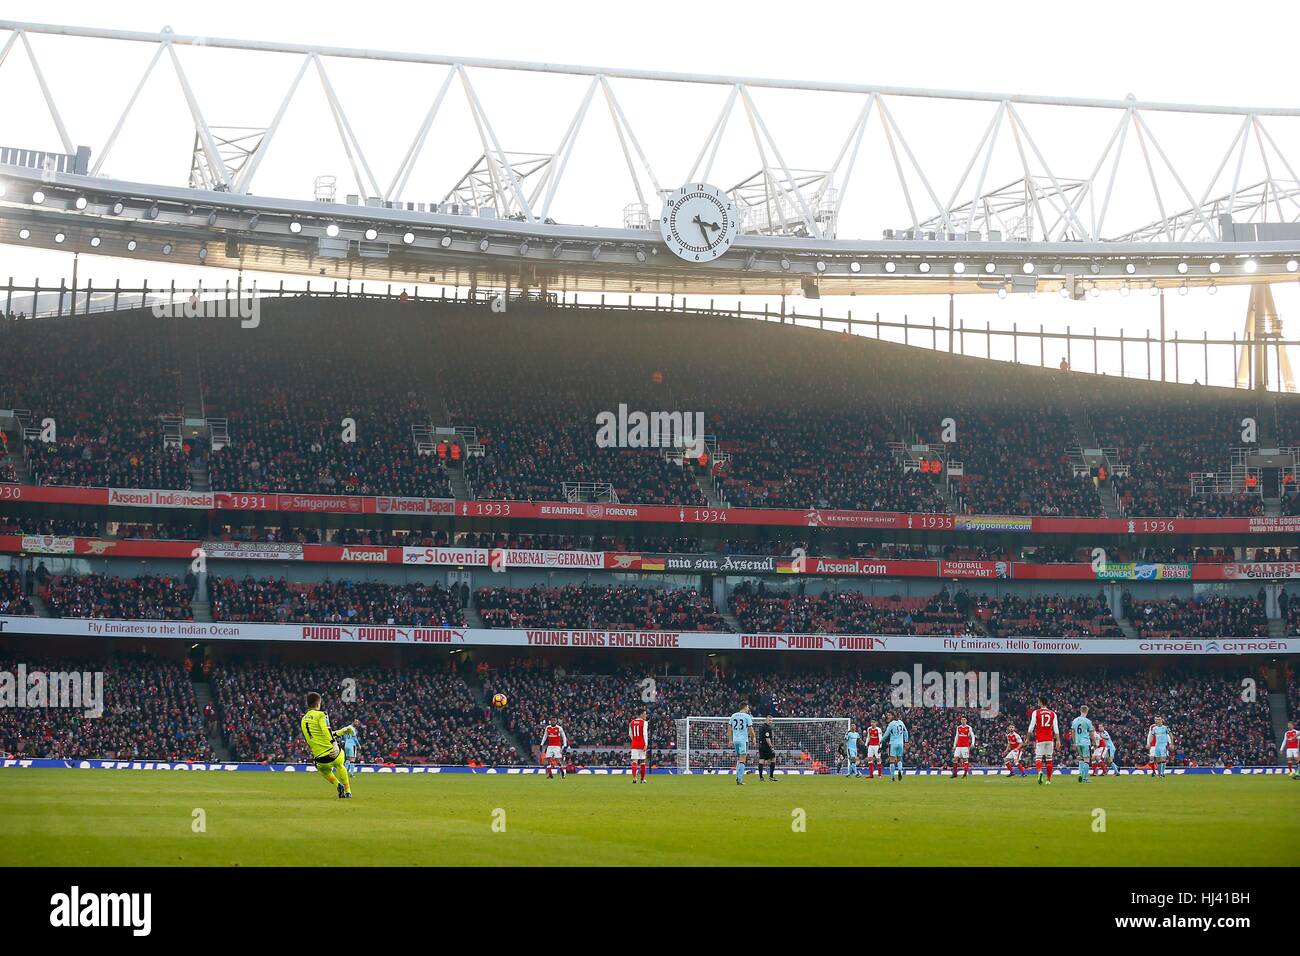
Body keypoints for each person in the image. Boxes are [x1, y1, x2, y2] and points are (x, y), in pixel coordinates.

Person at [299, 692, 353, 799]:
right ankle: (348, 791)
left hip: (319, 759)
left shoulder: (303, 719)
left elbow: (319, 736)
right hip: (332, 754)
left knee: (324, 770)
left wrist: (341, 732)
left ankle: (338, 785)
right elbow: (326, 730)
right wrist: (334, 744)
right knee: (340, 765)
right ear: (318, 703)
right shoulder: (321, 714)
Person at [1026, 695, 1060, 785]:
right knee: (1049, 759)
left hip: (1040, 739)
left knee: (1038, 758)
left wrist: (1027, 738)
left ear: (1041, 702)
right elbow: (1056, 729)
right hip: (1050, 739)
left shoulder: (1036, 712)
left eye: (1038, 701)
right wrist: (1058, 740)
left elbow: (1031, 727)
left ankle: (1040, 771)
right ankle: (1048, 780)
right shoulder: (1053, 713)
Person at [728, 704, 754, 786]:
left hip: (735, 740)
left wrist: (730, 739)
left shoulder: (733, 715)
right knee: (743, 759)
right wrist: (754, 738)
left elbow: (729, 728)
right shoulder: (747, 716)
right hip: (743, 740)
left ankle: (737, 777)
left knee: (739, 759)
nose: (748, 708)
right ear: (745, 707)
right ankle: (739, 780)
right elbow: (750, 729)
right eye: (748, 707)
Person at [882, 711, 909, 782]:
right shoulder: (901, 722)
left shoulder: (891, 724)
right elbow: (905, 731)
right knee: (899, 759)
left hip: (893, 743)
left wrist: (881, 740)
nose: (888, 716)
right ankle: (900, 770)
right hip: (901, 743)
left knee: (892, 761)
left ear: (893, 716)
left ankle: (893, 777)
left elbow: (886, 734)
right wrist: (906, 741)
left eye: (889, 715)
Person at [1071, 706, 1095, 784]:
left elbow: (1073, 732)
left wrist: (1074, 742)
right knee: (1086, 760)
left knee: (1081, 759)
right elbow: (1091, 733)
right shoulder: (1088, 721)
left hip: (1078, 743)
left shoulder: (1075, 720)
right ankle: (1085, 778)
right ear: (1087, 711)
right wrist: (1094, 742)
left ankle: (1080, 774)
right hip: (1085, 742)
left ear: (1080, 711)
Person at [629, 709, 649, 784]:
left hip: (634, 744)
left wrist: (634, 740)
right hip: (642, 744)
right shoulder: (644, 723)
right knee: (642, 761)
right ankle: (642, 779)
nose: (646, 715)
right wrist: (646, 744)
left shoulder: (632, 722)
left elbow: (630, 734)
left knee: (634, 761)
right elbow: (645, 734)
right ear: (641, 715)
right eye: (644, 714)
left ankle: (634, 779)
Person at [756, 715, 778, 781]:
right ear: (766, 720)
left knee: (761, 760)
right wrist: (771, 747)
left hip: (761, 746)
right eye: (769, 720)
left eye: (771, 720)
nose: (770, 722)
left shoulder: (761, 727)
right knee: (773, 759)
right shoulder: (767, 728)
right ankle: (771, 776)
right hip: (767, 747)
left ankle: (761, 777)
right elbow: (767, 739)